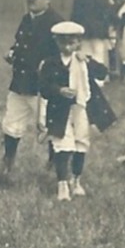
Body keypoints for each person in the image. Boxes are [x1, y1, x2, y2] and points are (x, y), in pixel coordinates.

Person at [39, 21, 109, 202]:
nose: (68, 46)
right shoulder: (50, 63)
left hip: (81, 108)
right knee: (62, 144)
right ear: (56, 42)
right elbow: (44, 87)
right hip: (59, 110)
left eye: (73, 42)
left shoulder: (83, 61)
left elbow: (103, 73)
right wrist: (59, 90)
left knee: (80, 144)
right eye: (63, 42)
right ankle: (62, 184)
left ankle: (76, 180)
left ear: (79, 42)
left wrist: (89, 60)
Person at [0, 0, 61, 182]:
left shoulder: (56, 24)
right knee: (11, 123)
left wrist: (47, 72)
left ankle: (54, 166)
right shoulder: (26, 19)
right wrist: (12, 53)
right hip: (20, 83)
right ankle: (7, 163)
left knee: (48, 125)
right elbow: (19, 44)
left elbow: (61, 56)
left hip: (41, 87)